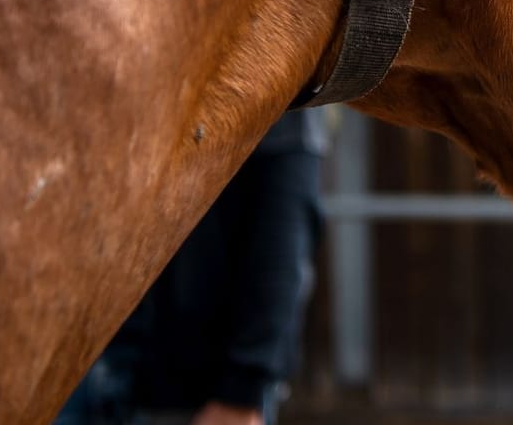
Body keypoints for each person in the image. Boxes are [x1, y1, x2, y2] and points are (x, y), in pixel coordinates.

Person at [56, 110, 326, 425]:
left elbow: (283, 239)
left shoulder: (273, 93)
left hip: (191, 397)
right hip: (84, 375)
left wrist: (242, 391)